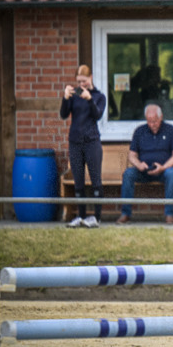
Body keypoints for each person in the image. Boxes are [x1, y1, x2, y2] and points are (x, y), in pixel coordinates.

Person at [117, 103, 173, 225]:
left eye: (155, 121)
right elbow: (132, 155)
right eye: (149, 121)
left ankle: (169, 214)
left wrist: (164, 167)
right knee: (128, 174)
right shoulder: (139, 131)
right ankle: (125, 214)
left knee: (172, 173)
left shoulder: (170, 130)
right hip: (144, 170)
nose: (152, 125)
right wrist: (139, 164)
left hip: (163, 170)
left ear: (161, 117)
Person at [59, 64, 106, 228]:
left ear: (90, 78)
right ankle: (81, 215)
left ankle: (97, 217)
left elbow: (97, 114)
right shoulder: (74, 95)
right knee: (78, 180)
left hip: (92, 142)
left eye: (84, 81)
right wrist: (65, 98)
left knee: (95, 180)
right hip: (75, 142)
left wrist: (89, 99)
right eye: (79, 82)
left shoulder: (99, 96)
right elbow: (63, 114)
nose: (81, 85)